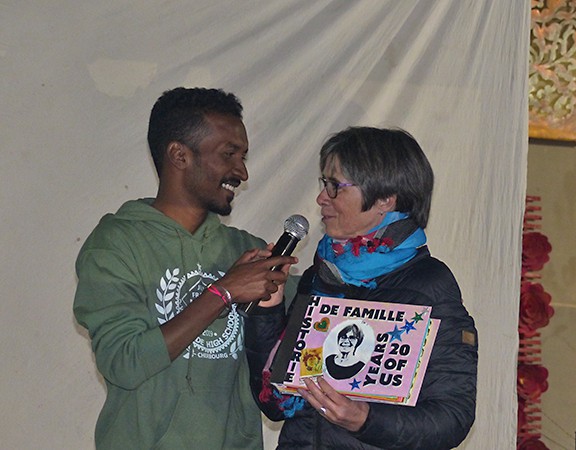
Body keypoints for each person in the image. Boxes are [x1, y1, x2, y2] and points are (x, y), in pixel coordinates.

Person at [73, 87, 297, 449]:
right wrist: (224, 292)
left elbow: (318, 323)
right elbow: (124, 363)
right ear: (179, 155)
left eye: (243, 156)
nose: (242, 171)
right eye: (229, 154)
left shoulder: (247, 252)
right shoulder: (115, 245)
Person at [245, 127, 478, 449]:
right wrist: (267, 311)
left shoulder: (428, 284)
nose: (321, 198)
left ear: (385, 199)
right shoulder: (320, 276)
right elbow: (274, 404)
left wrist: (366, 420)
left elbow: (453, 416)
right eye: (323, 184)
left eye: (334, 186)